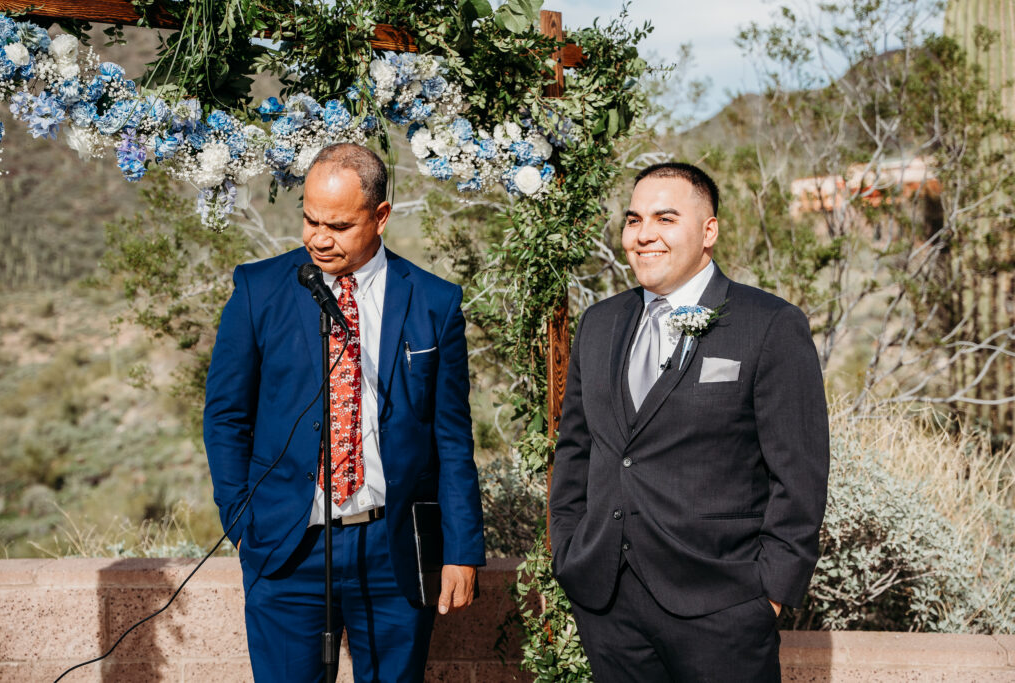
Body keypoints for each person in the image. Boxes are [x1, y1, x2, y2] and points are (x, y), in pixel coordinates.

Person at [203, 142, 485, 682]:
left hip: (394, 549)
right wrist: (241, 521)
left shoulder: (434, 301)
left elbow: (452, 438)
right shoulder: (257, 290)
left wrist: (463, 549)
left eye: (337, 224)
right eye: (309, 219)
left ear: (380, 217)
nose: (317, 237)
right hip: (288, 548)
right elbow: (226, 417)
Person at [550, 162, 830, 681]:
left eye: (665, 218)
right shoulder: (600, 323)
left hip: (724, 607)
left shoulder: (769, 326)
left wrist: (769, 596)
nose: (644, 235)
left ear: (709, 230)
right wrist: (568, 549)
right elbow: (576, 450)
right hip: (608, 606)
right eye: (634, 220)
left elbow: (800, 476)